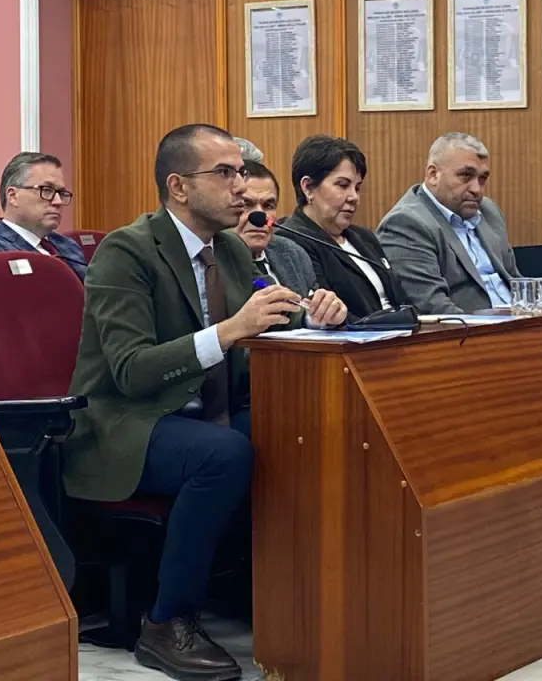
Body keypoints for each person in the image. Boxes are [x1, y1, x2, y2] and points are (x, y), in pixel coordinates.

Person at [63, 124, 343, 680]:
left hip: (205, 411)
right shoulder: (126, 251)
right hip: (126, 423)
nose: (241, 185)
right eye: (225, 173)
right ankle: (168, 620)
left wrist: (315, 315)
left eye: (241, 171)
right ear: (179, 187)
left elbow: (267, 322)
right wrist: (232, 329)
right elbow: (130, 370)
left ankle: (279, 593)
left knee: (308, 428)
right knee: (224, 453)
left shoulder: (231, 251)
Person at [377, 133, 518, 314]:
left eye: (482, 179)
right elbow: (433, 307)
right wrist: (497, 326)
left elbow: (516, 281)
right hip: (473, 328)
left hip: (518, 321)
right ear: (433, 175)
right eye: (466, 176)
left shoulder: (488, 211)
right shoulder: (405, 224)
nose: (477, 189)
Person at [279, 135, 407, 320]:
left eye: (357, 188)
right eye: (343, 185)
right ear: (308, 187)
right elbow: (325, 314)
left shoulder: (364, 237)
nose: (354, 197)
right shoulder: (291, 241)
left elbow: (401, 299)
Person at [233, 159, 346, 322]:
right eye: (246, 204)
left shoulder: (293, 253)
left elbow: (311, 313)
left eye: (268, 206)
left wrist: (328, 311)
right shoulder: (216, 260)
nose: (261, 217)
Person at [0, 152, 87, 280]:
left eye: (61, 193)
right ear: (13, 196)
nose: (58, 201)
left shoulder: (67, 244)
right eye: (47, 190)